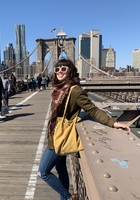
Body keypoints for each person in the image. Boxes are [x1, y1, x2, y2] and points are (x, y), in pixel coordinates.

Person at [37, 58, 130, 200]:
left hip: (60, 136)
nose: (60, 72)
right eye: (57, 69)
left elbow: (92, 110)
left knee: (43, 172)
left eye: (64, 69)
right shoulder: (58, 88)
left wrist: (113, 123)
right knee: (61, 168)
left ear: (70, 71)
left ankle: (67, 197)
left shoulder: (74, 90)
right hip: (55, 132)